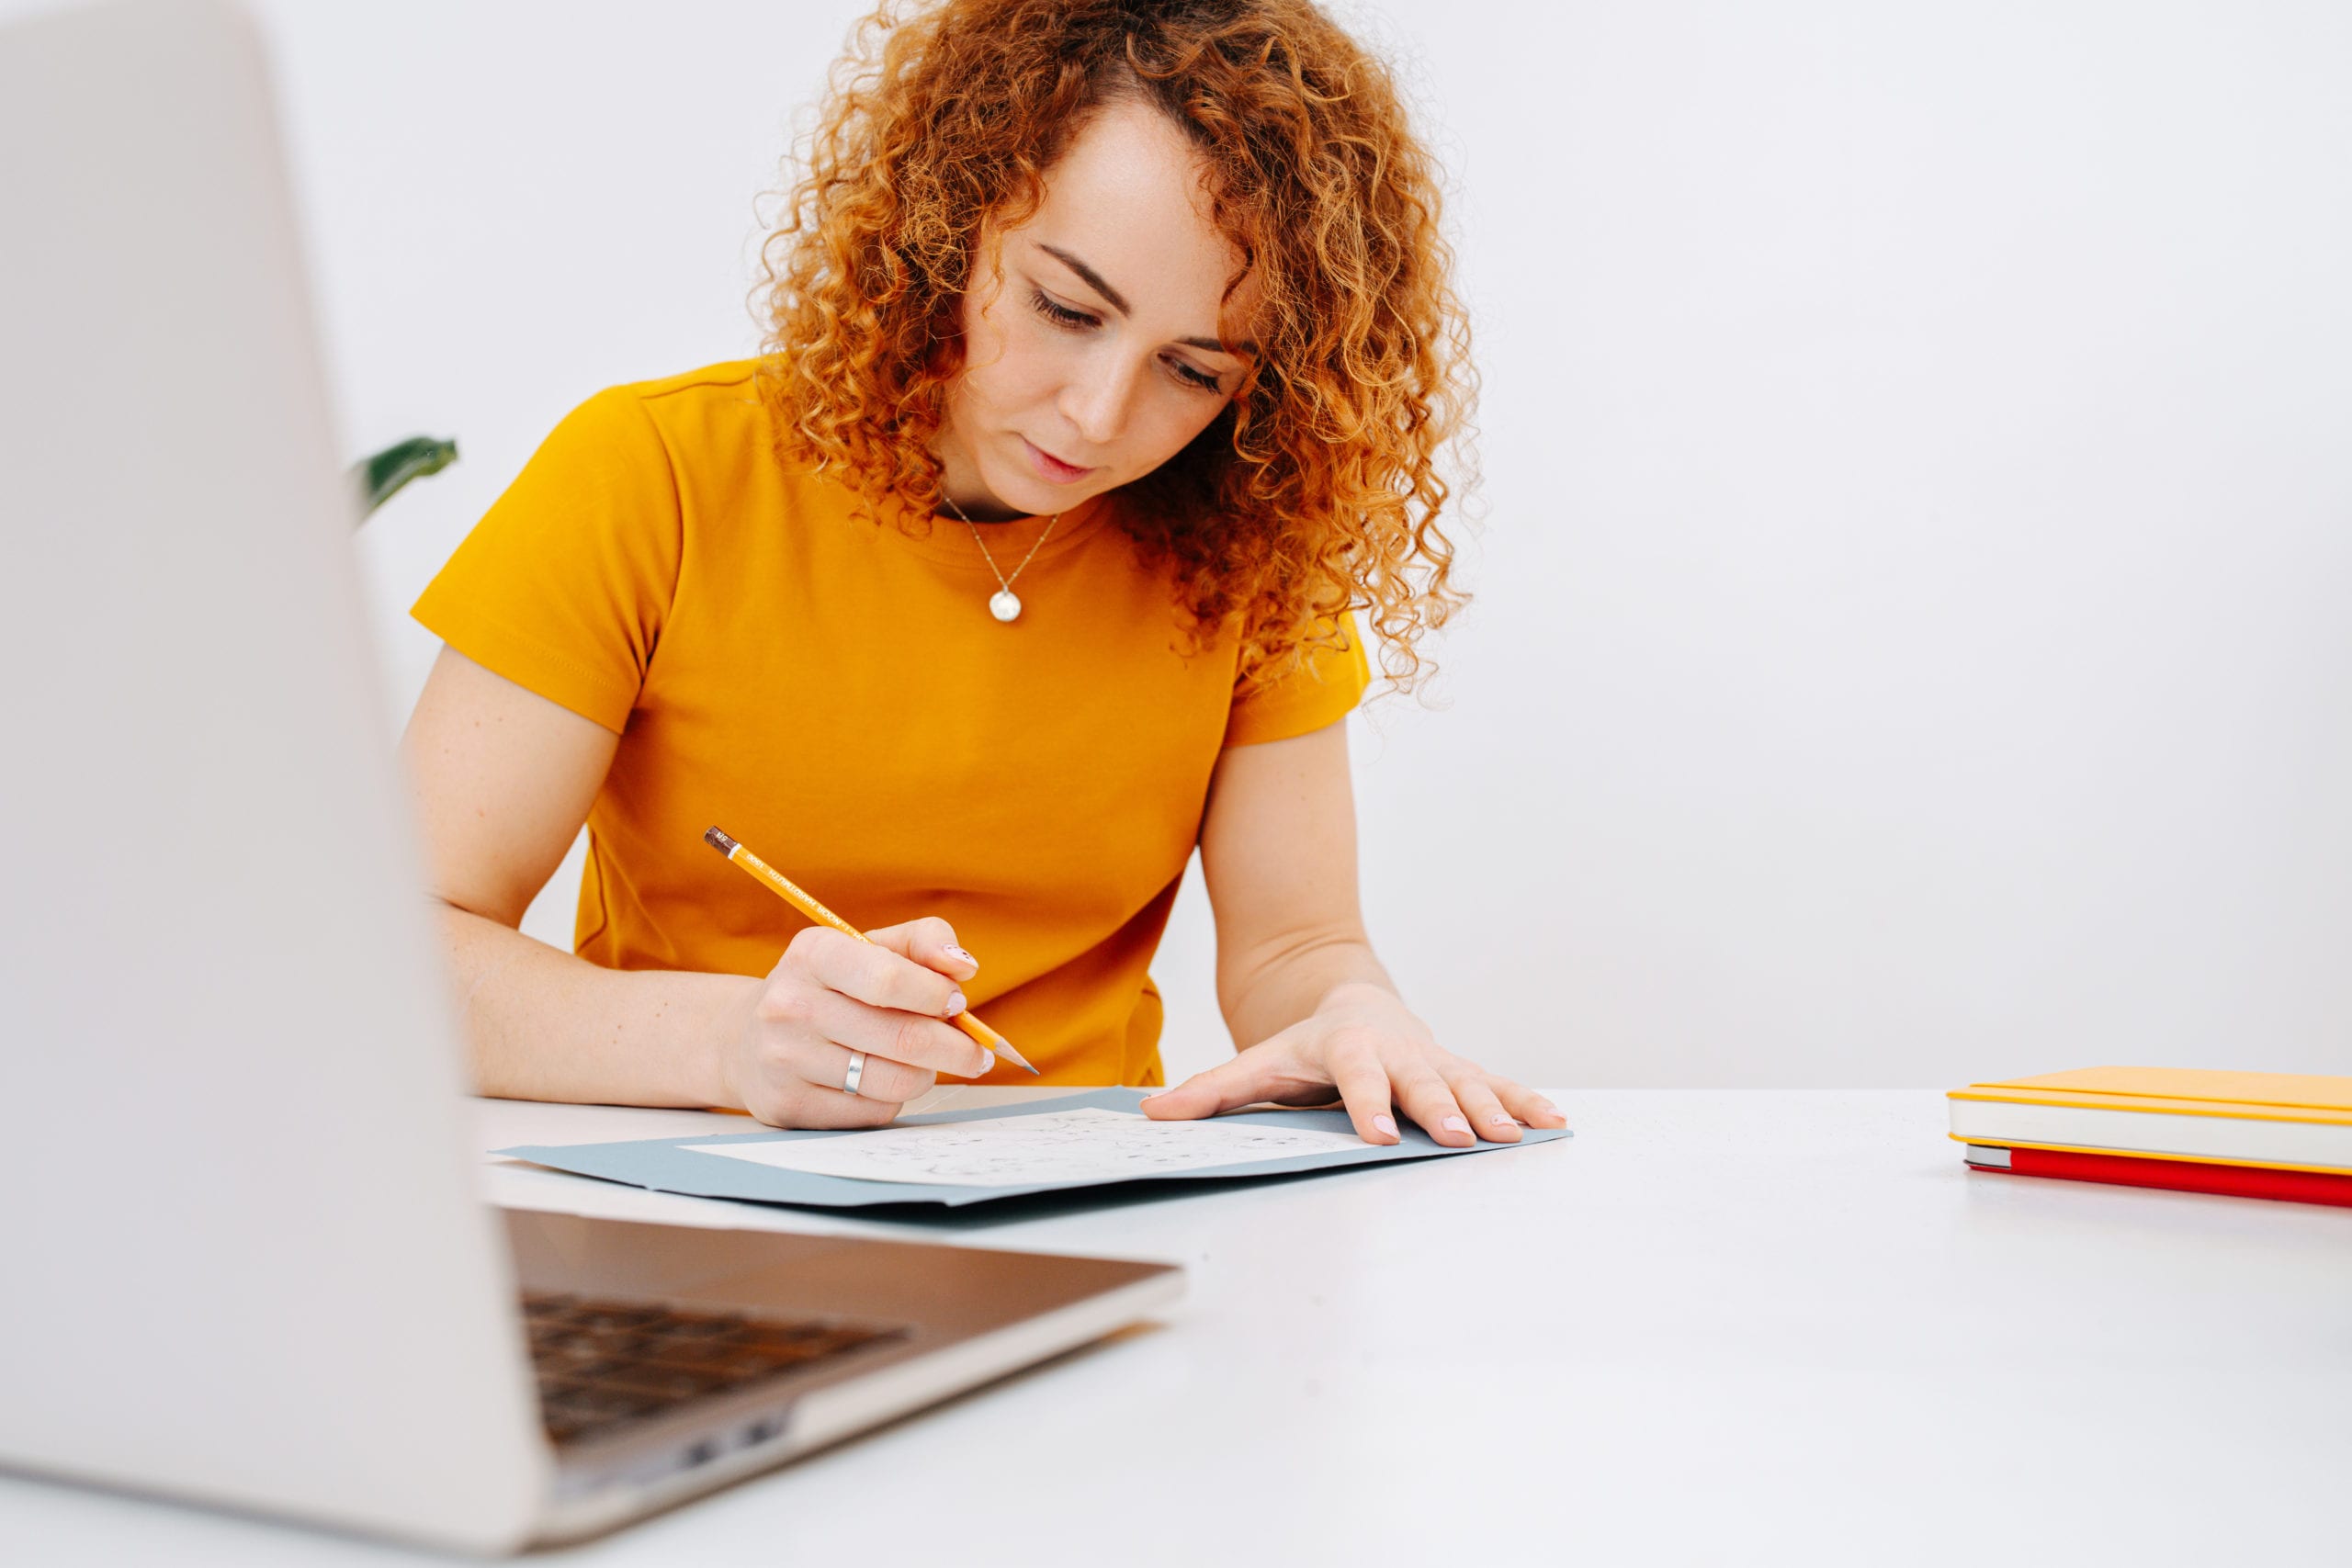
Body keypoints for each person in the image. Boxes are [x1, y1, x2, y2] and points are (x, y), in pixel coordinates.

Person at [402, 0, 1566, 1149]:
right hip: (694, 1178)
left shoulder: (1249, 549)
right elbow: (399, 958)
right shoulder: (655, 473)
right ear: (946, 221)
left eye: (1194, 372)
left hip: (1089, 1196)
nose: (1099, 415)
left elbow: (1295, 950)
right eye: (1064, 309)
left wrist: (1354, 1019)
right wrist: (732, 1045)